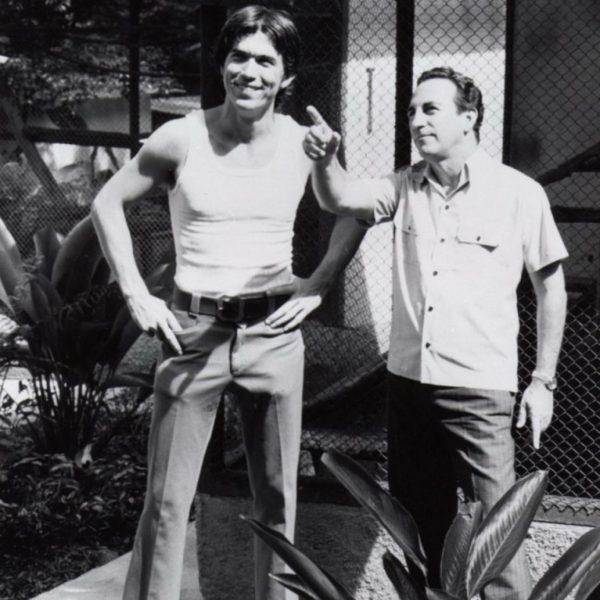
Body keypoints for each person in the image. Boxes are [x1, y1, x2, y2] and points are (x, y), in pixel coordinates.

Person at [91, 6, 365, 600]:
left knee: (278, 503)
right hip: (193, 332)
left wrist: (319, 283)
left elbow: (353, 210)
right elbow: (107, 203)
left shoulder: (303, 143)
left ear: (287, 76)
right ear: (222, 64)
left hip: (274, 336)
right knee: (167, 503)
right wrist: (136, 292)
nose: (250, 71)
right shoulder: (180, 137)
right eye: (239, 56)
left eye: (266, 61)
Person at [303, 66, 568, 599]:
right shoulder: (403, 186)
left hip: (479, 391)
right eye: (411, 111)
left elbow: (551, 289)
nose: (416, 120)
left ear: (469, 118)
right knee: (423, 534)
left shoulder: (519, 193)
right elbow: (340, 200)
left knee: (496, 541)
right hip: (408, 388)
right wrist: (325, 160)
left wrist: (543, 381)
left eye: (430, 109)